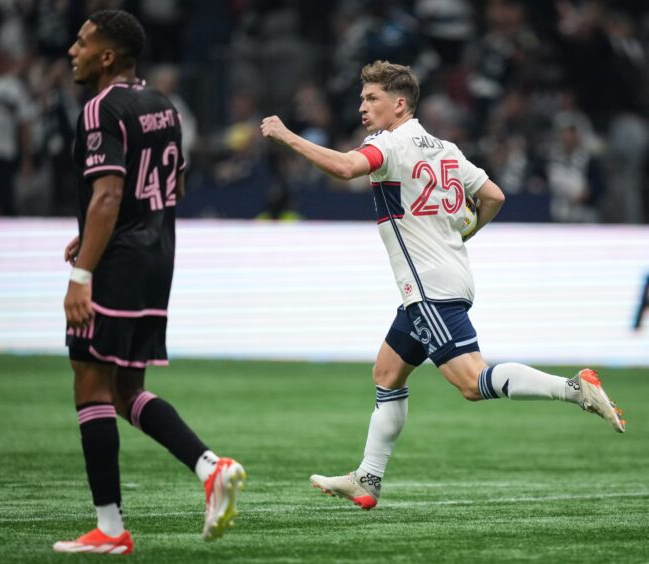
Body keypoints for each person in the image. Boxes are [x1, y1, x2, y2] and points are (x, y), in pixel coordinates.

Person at [261, 60, 625, 511]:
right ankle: (367, 478)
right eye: (361, 98)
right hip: (446, 279)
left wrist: (286, 135)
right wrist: (466, 230)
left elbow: (344, 168)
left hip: (428, 288)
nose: (362, 107)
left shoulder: (387, 143)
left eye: (371, 98)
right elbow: (493, 195)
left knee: (472, 383)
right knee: (387, 374)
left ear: (399, 104)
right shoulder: (446, 149)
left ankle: (573, 389)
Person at [55, 10, 245, 554]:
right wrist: (95, 233)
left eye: (83, 41)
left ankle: (110, 530)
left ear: (107, 56)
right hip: (158, 256)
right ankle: (212, 468)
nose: (73, 49)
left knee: (89, 385)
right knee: (126, 390)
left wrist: (83, 271)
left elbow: (110, 194)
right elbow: (173, 184)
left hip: (117, 264)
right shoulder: (164, 104)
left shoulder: (100, 108)